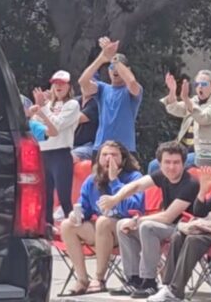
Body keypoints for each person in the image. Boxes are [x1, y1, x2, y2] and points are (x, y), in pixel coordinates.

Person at [98, 141, 199, 298]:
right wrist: (115, 198)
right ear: (159, 163)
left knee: (147, 227)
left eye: (176, 163)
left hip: (182, 228)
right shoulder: (161, 174)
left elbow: (168, 217)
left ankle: (150, 282)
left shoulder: (190, 183)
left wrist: (138, 220)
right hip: (165, 226)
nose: (171, 167)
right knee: (121, 225)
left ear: (184, 163)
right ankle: (133, 279)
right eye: (167, 162)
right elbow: (136, 186)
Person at [60, 141, 144, 295]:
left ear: (123, 159)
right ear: (98, 159)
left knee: (103, 222)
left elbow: (132, 208)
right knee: (67, 225)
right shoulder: (92, 180)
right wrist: (76, 214)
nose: (108, 158)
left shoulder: (134, 177)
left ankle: (99, 278)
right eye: (105, 155)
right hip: (100, 232)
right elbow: (83, 206)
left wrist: (114, 181)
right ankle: (82, 279)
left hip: (126, 230)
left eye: (114, 155)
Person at [78, 37, 143, 161]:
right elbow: (83, 82)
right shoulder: (102, 88)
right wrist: (102, 58)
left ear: (127, 70)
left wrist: (114, 59)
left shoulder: (132, 90)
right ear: (108, 71)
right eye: (112, 68)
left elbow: (132, 82)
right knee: (99, 180)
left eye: (118, 67)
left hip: (126, 149)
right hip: (101, 148)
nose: (115, 70)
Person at [32, 70, 81, 225]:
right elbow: (36, 125)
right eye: (55, 83)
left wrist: (43, 108)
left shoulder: (72, 104)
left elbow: (58, 125)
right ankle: (47, 228)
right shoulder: (48, 105)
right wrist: (41, 108)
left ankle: (74, 228)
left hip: (61, 153)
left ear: (68, 86)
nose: (58, 86)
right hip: (44, 153)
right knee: (45, 196)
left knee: (64, 196)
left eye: (62, 83)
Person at [161, 70, 211, 162]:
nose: (200, 87)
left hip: (209, 154)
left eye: (203, 84)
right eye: (197, 84)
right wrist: (172, 90)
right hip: (185, 151)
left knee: (181, 163)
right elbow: (173, 108)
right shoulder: (193, 101)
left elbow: (203, 118)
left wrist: (186, 99)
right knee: (154, 165)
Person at [71, 89, 100, 162]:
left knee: (68, 157)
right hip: (70, 145)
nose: (86, 86)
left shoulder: (97, 102)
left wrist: (59, 112)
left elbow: (78, 119)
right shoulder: (75, 100)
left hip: (90, 145)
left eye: (90, 84)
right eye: (84, 83)